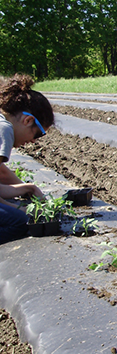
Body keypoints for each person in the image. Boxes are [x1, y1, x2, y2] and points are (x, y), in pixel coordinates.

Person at [0, 74, 54, 244]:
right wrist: (20, 209)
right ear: (28, 120)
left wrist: (27, 188)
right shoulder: (5, 129)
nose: (32, 141)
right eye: (37, 134)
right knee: (22, 222)